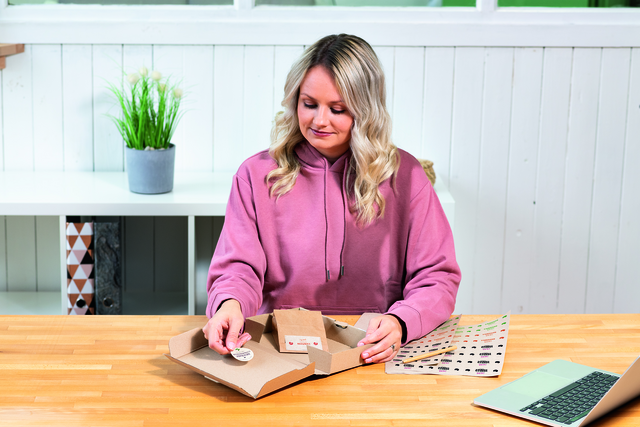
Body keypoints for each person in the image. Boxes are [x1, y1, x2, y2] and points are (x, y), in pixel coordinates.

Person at [203, 34, 461, 364]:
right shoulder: (256, 175)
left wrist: (402, 321)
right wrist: (229, 304)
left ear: (366, 111)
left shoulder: (406, 177)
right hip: (278, 351)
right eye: (309, 104)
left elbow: (437, 277)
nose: (319, 120)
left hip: (373, 352)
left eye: (337, 109)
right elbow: (237, 269)